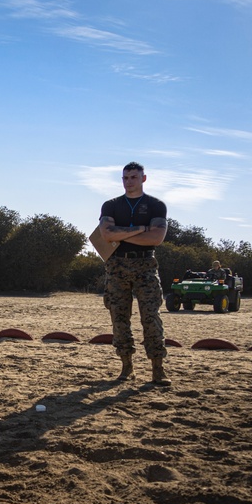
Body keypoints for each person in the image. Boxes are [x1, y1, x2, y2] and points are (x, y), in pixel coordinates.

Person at [98, 162, 170, 386]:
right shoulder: (111, 205)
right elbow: (106, 235)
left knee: (150, 317)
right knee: (119, 318)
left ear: (143, 178)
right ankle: (126, 367)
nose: (129, 181)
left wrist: (122, 234)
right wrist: (141, 229)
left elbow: (156, 239)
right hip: (117, 266)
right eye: (125, 178)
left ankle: (157, 369)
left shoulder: (156, 205)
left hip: (145, 266)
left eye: (133, 177)